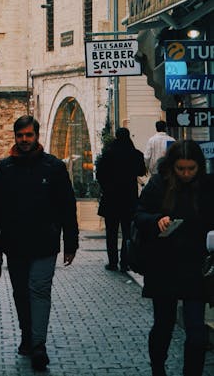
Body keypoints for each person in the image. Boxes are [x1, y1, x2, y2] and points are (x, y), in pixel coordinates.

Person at [0, 115, 78, 372]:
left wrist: (71, 242)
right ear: (15, 137)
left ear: (37, 136)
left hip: (44, 243)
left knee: (39, 291)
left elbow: (67, 208)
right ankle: (27, 335)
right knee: (21, 294)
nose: (24, 140)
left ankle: (38, 344)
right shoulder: (4, 168)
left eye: (29, 135)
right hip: (15, 244)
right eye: (20, 136)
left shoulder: (54, 167)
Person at [135, 140, 214, 376]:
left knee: (196, 330)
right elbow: (139, 213)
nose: (187, 174)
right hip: (164, 264)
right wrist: (156, 219)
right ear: (173, 167)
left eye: (191, 168)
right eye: (181, 169)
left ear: (199, 166)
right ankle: (158, 369)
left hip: (195, 265)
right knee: (163, 325)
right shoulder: (159, 183)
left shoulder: (207, 186)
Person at [95, 127, 146, 273]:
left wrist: (106, 187)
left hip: (111, 198)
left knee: (111, 232)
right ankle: (125, 262)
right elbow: (141, 171)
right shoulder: (135, 154)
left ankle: (112, 262)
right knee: (127, 233)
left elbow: (99, 175)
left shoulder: (108, 155)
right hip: (129, 198)